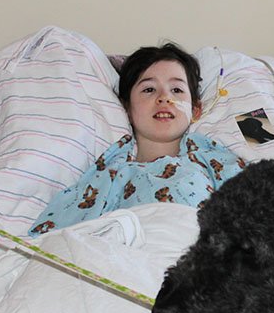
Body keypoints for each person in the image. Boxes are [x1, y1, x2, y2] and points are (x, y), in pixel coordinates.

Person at [29, 43, 246, 236]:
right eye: (149, 89)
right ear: (127, 109)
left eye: (177, 89)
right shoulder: (111, 175)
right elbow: (55, 236)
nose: (164, 97)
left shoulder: (213, 161)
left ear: (195, 110)